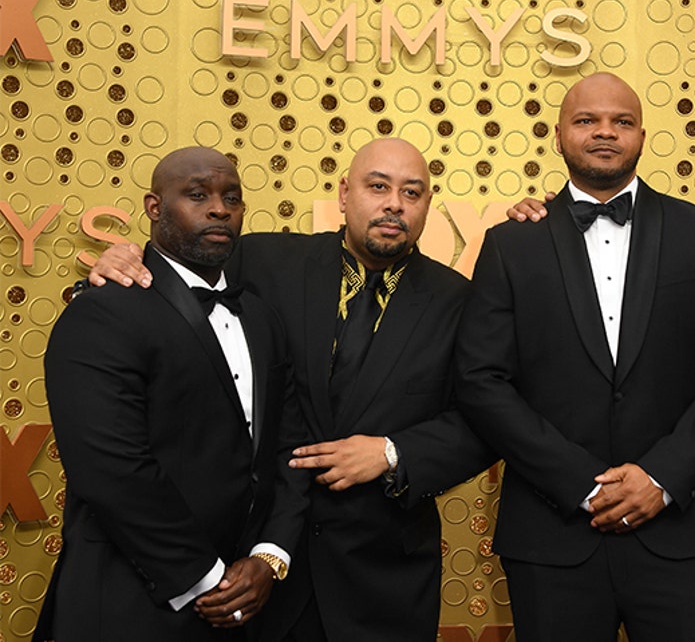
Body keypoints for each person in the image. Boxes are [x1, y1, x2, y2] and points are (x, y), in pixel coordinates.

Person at [88, 138, 494, 642]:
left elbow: (486, 418)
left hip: (385, 579)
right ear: (345, 194)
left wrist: (394, 453)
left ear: (427, 205)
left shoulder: (461, 301)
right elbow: (177, 276)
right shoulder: (262, 260)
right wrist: (123, 260)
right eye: (378, 186)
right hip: (258, 572)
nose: (395, 203)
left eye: (412, 192)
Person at [455, 72, 695, 642]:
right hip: (553, 537)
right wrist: (581, 482)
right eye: (587, 120)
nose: (605, 133)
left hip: (682, 530)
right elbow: (481, 381)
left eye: (621, 121)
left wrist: (662, 476)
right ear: (558, 136)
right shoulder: (512, 243)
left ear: (643, 136)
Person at [35, 147, 289, 641]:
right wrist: (209, 579)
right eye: (197, 195)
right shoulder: (103, 312)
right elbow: (112, 469)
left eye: (231, 198)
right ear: (154, 208)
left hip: (247, 603)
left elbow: (284, 446)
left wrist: (267, 557)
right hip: (132, 600)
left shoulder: (261, 317)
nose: (219, 208)